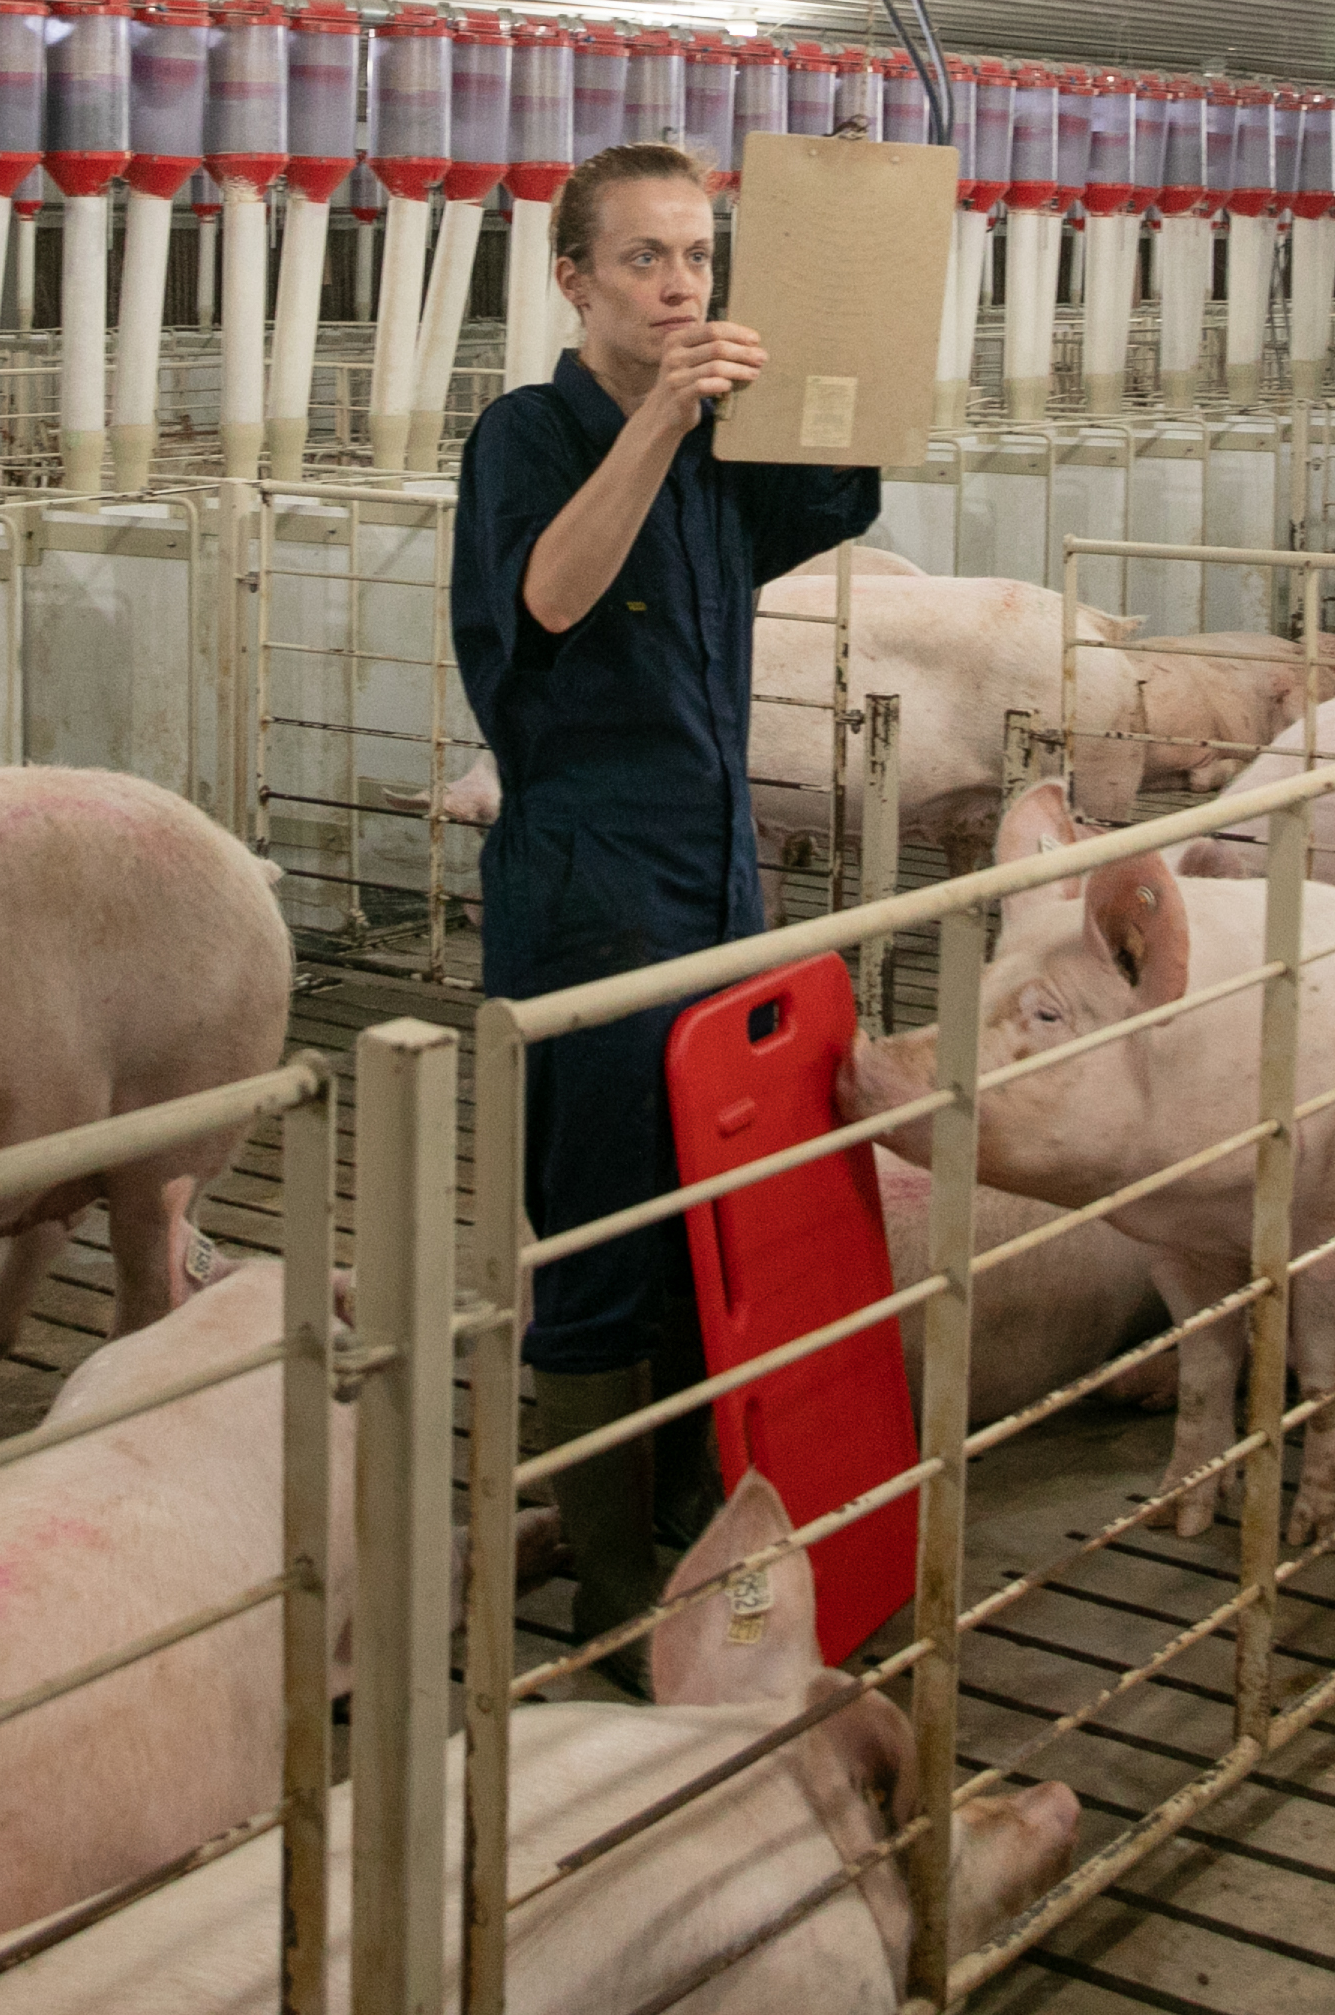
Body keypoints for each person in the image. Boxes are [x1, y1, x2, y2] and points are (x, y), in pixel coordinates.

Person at [449, 137, 881, 1693]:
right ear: (574, 279)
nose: (681, 285)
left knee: (720, 1227)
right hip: (589, 905)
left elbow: (848, 463)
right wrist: (660, 423)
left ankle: (698, 1531)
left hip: (715, 888)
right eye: (645, 259)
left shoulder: (718, 449)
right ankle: (614, 1605)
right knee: (606, 1245)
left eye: (699, 258)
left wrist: (853, 297)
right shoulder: (526, 438)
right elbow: (552, 597)